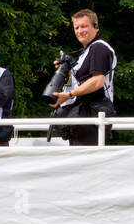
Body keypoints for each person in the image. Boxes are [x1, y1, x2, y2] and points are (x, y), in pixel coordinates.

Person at [49, 9, 117, 146]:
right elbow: (80, 81)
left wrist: (69, 94)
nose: (80, 31)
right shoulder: (87, 51)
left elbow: (97, 81)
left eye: (84, 26)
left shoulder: (99, 48)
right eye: (76, 27)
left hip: (93, 115)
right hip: (83, 116)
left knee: (88, 165)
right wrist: (65, 70)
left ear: (95, 26)